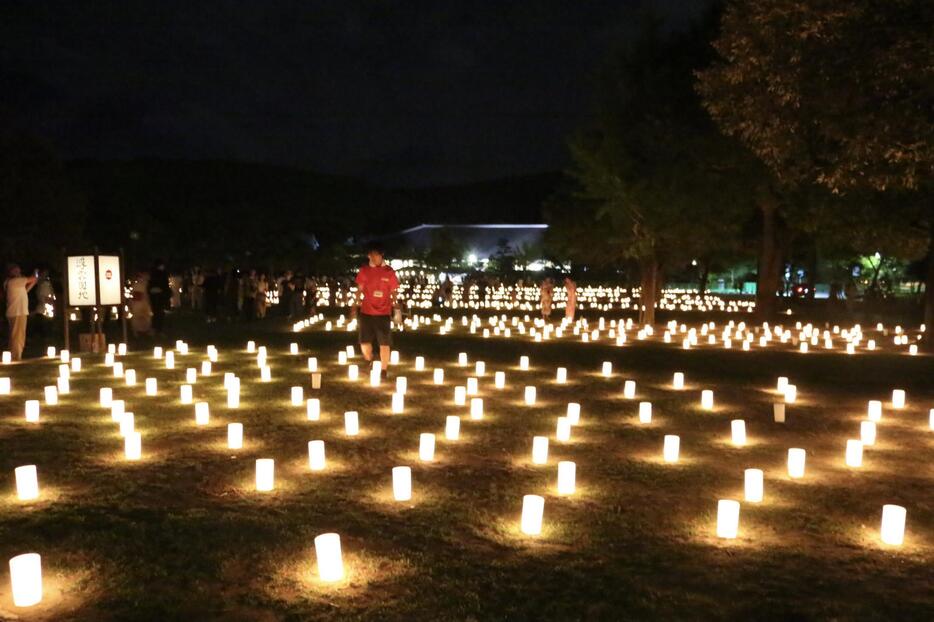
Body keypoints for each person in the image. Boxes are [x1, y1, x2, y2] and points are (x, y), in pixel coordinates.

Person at [353, 244, 399, 378]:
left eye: (378, 255)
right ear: (369, 256)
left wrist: (396, 306)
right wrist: (355, 304)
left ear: (381, 256)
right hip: (366, 312)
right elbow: (360, 289)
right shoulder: (364, 270)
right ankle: (370, 361)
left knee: (384, 343)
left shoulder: (389, 272)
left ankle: (384, 370)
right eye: (373, 255)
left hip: (383, 313)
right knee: (364, 342)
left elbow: (393, 291)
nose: (376, 258)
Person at [3, 265, 38, 360]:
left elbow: (26, 289)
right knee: (18, 336)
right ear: (11, 272)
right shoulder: (15, 281)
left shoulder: (12, 283)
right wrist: (36, 272)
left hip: (15, 312)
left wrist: (34, 281)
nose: (19, 272)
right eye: (16, 271)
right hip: (18, 312)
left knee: (15, 335)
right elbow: (34, 278)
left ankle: (13, 356)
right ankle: (16, 357)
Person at [148, 260, 170, 335]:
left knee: (157, 312)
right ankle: (157, 329)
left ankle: (156, 329)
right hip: (158, 295)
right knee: (158, 312)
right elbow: (164, 285)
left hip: (156, 295)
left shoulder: (153, 274)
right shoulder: (161, 274)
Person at [129, 271, 153, 337]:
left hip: (143, 303)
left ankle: (144, 330)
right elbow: (137, 295)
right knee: (138, 317)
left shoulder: (144, 284)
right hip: (139, 303)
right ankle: (137, 331)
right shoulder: (138, 285)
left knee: (145, 317)